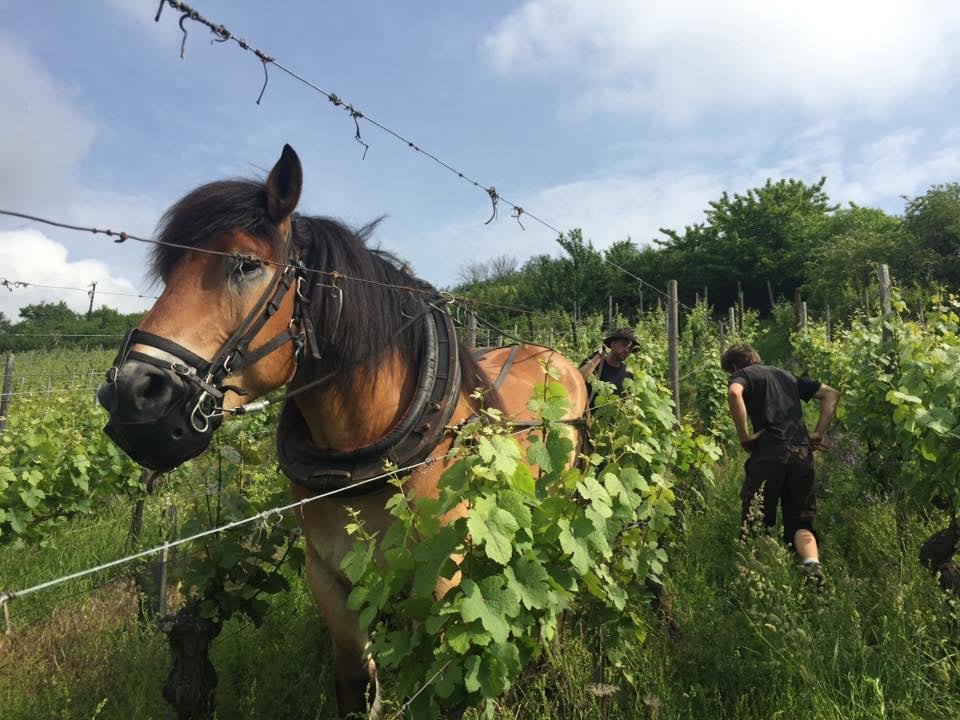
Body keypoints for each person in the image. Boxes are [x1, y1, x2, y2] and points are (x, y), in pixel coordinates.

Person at [721, 343, 840, 585]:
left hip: (769, 453)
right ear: (757, 357)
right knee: (800, 518)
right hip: (801, 453)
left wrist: (744, 437)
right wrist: (817, 433)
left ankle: (755, 579)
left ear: (734, 365)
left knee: (755, 517)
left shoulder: (743, 375)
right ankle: (812, 568)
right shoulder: (786, 375)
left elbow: (734, 393)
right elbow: (831, 394)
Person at [579, 327, 637, 409]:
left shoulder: (628, 374)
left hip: (610, 421)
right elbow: (578, 379)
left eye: (630, 348)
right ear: (613, 343)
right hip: (586, 418)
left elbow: (627, 400)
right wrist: (598, 356)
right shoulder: (594, 362)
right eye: (624, 344)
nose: (627, 350)